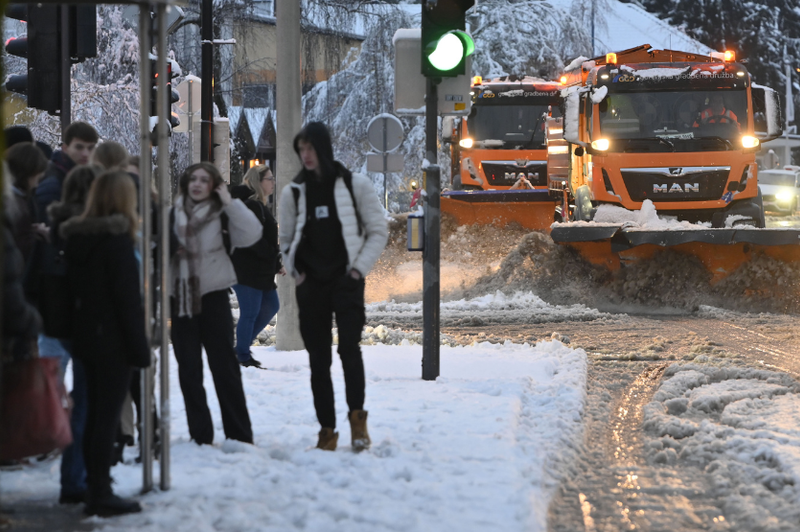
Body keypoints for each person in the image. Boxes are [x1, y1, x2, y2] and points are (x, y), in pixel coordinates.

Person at [279, 122, 388, 452]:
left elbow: (378, 230)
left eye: (310, 149)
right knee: (318, 360)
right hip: (310, 286)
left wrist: (357, 271)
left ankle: (358, 423)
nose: (305, 155)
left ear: (323, 149)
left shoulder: (355, 185)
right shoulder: (293, 192)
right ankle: (327, 431)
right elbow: (284, 240)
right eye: (301, 150)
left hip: (346, 282)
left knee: (349, 351)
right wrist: (297, 274)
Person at [60, 171, 150, 517]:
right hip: (112, 341)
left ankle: (94, 484)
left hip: (85, 337)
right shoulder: (117, 242)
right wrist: (139, 348)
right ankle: (100, 489)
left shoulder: (78, 239)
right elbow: (127, 301)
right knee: (106, 418)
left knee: (94, 413)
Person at [169, 162, 261, 445]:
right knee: (189, 371)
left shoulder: (223, 211)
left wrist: (229, 201)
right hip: (181, 297)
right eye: (192, 179)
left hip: (214, 294)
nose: (197, 184)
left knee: (225, 368)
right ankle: (201, 434)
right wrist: (171, 249)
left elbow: (252, 233)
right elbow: (154, 245)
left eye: (204, 180)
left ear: (215, 185)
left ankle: (239, 434)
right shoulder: (172, 213)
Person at [45, 164, 101, 504]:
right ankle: (77, 479)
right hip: (88, 324)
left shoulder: (58, 226)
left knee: (80, 401)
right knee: (86, 404)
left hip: (64, 321)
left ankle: (75, 476)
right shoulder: (90, 231)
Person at [229, 165, 285, 367]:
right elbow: (253, 240)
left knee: (271, 305)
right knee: (250, 313)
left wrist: (276, 262)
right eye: (269, 178)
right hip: (247, 270)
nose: (273, 182)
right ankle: (242, 356)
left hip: (261, 270)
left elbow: (268, 239)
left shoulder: (259, 205)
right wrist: (272, 256)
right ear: (258, 182)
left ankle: (239, 349)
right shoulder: (252, 206)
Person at [35, 121, 99, 225]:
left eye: (90, 148)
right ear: (65, 148)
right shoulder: (53, 182)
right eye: (79, 147)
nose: (85, 154)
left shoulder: (88, 178)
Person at [5, 142, 49, 264]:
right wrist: (39, 236)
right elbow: (19, 251)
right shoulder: (17, 204)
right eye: (37, 177)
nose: (37, 184)